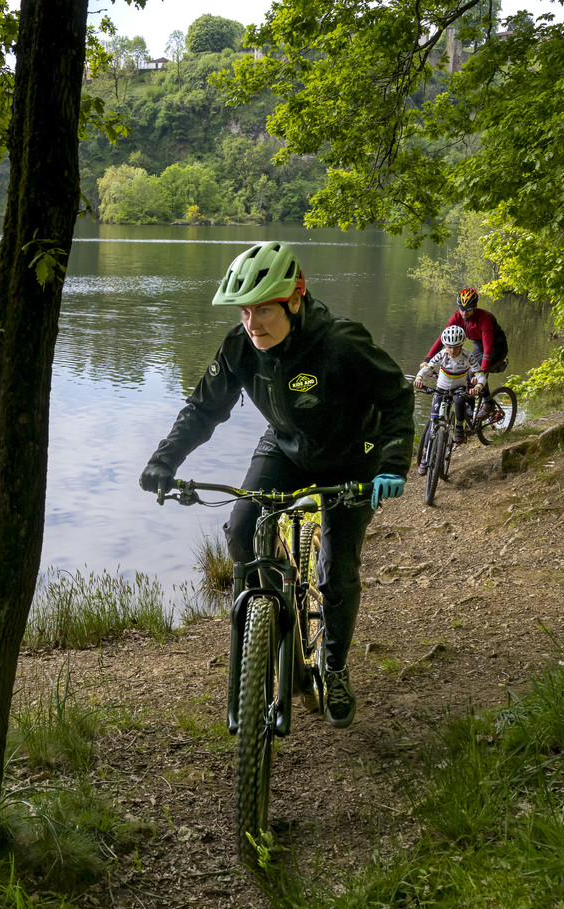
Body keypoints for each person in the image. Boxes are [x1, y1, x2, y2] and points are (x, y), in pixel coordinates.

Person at [138, 242, 414, 729]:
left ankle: (334, 664)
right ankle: (279, 613)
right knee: (241, 529)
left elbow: (395, 396)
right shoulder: (241, 347)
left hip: (351, 457)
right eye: (245, 310)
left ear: (296, 298)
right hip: (285, 448)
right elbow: (204, 410)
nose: (253, 322)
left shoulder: (341, 342)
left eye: (264, 309)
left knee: (337, 566)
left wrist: (391, 465)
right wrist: (164, 460)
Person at [413, 323, 487, 450]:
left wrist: (478, 387)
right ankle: (425, 456)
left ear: (462, 344)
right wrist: (419, 378)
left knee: (459, 400)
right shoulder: (442, 354)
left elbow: (480, 375)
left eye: (456, 347)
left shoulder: (468, 356)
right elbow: (427, 369)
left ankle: (459, 427)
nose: (452, 351)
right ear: (445, 345)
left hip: (459, 388)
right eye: (449, 347)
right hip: (441, 388)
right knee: (433, 421)